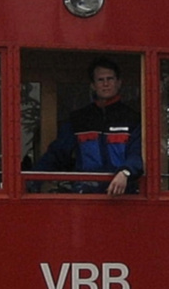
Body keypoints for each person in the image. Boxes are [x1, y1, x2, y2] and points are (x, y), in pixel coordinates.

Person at [35, 57, 143, 196]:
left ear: (118, 83)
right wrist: (32, 180)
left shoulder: (133, 118)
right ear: (93, 85)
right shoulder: (79, 119)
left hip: (124, 195)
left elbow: (138, 153)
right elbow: (57, 154)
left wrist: (126, 172)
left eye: (110, 79)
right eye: (100, 80)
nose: (105, 84)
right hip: (86, 194)